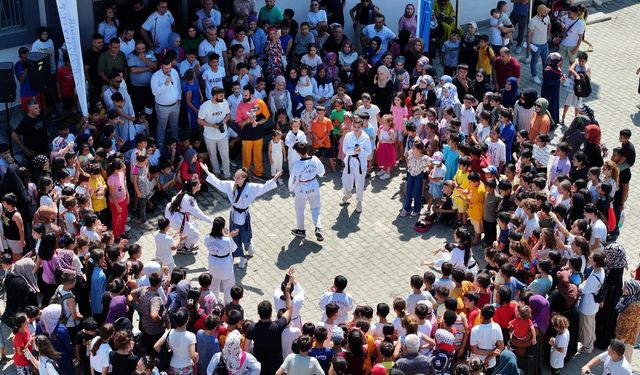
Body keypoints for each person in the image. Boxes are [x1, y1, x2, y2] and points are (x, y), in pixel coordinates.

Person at [201, 162, 280, 268]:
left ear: (244, 178)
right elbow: (218, 183)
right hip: (234, 213)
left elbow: (264, 187)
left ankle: (249, 244)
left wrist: (273, 179)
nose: (235, 179)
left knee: (246, 234)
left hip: (244, 213)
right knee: (235, 236)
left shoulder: (251, 187)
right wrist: (207, 171)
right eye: (235, 177)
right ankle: (242, 257)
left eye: (238, 178)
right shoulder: (230, 185)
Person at [246, 279, 293, 375]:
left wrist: (253, 361)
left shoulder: (251, 328)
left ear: (258, 313)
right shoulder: (277, 326)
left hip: (260, 366)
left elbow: (246, 348)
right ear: (271, 312)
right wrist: (287, 292)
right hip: (276, 366)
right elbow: (289, 310)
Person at [164, 177, 213, 254]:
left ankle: (182, 244)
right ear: (193, 187)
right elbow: (199, 214)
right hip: (176, 218)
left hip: (173, 214)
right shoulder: (189, 200)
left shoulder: (184, 191)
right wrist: (213, 221)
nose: (200, 184)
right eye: (198, 183)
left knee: (193, 226)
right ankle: (185, 248)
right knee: (195, 233)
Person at [289, 142, 326, 241]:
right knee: (315, 208)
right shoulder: (314, 159)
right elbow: (322, 172)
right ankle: (318, 227)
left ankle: (301, 230)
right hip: (314, 186)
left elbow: (294, 179)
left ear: (298, 152)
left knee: (299, 209)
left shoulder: (298, 164)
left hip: (302, 190)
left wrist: (291, 188)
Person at [236, 84, 271, 180]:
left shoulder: (260, 102)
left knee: (258, 156)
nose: (244, 97)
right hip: (246, 135)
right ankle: (245, 176)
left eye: (246, 95)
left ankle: (258, 174)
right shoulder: (240, 106)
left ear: (251, 94)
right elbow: (239, 123)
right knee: (246, 158)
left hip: (258, 135)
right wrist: (248, 121)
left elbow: (266, 117)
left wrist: (258, 123)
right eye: (243, 95)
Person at [340, 115, 372, 213]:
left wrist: (360, 151)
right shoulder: (348, 136)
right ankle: (347, 194)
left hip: (361, 162)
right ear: (352, 126)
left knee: (360, 182)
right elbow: (345, 149)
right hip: (350, 161)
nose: (357, 129)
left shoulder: (365, 137)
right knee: (345, 180)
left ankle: (359, 201)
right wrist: (354, 151)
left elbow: (368, 151)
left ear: (362, 127)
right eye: (355, 127)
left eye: (359, 127)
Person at [199, 86, 232, 179]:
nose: (223, 97)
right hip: (209, 136)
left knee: (225, 155)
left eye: (223, 95)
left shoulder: (225, 102)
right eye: (221, 96)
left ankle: (227, 174)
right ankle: (216, 173)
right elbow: (199, 121)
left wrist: (224, 121)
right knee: (213, 155)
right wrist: (212, 125)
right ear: (214, 96)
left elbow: (228, 115)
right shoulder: (205, 106)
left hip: (223, 134)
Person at [151, 56, 181, 148]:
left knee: (174, 125)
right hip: (162, 107)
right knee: (161, 127)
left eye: (169, 68)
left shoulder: (174, 72)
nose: (168, 70)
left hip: (176, 105)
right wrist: (165, 84)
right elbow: (155, 92)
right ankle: (160, 146)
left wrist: (179, 98)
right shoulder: (156, 76)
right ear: (161, 67)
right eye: (165, 68)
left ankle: (175, 144)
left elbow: (178, 85)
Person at [526, 4, 551, 85]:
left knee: (546, 61)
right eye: (545, 12)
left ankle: (545, 75)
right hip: (536, 45)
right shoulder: (533, 21)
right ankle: (534, 75)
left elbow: (549, 24)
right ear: (540, 12)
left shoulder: (547, 17)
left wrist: (548, 34)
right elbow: (529, 35)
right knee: (534, 61)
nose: (547, 13)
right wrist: (529, 46)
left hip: (545, 44)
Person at [541, 53, 564, 125]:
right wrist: (559, 80)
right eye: (559, 61)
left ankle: (555, 120)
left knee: (555, 105)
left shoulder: (555, 67)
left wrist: (561, 76)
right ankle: (549, 124)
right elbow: (548, 82)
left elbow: (558, 74)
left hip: (555, 91)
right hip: (549, 93)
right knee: (550, 107)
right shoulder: (548, 70)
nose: (561, 62)